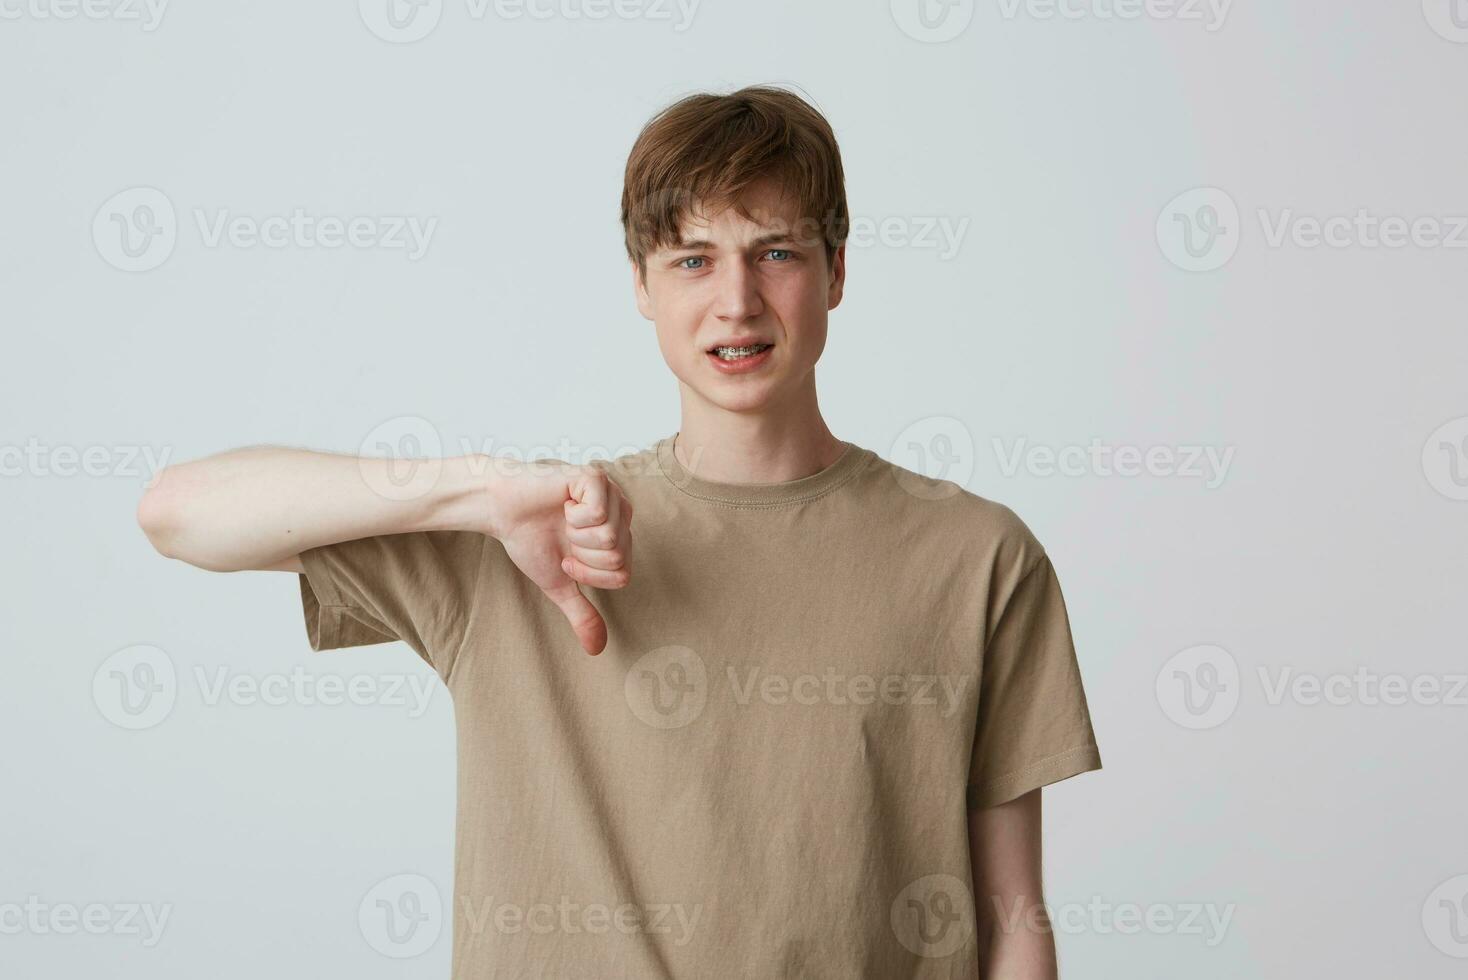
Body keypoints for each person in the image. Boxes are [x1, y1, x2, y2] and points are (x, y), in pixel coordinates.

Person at [136, 83, 1103, 979]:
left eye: (775, 252)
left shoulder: (976, 557)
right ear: (641, 284)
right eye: (693, 258)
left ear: (837, 271)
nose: (736, 301)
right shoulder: (526, 538)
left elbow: (1013, 917)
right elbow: (179, 513)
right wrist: (474, 491)